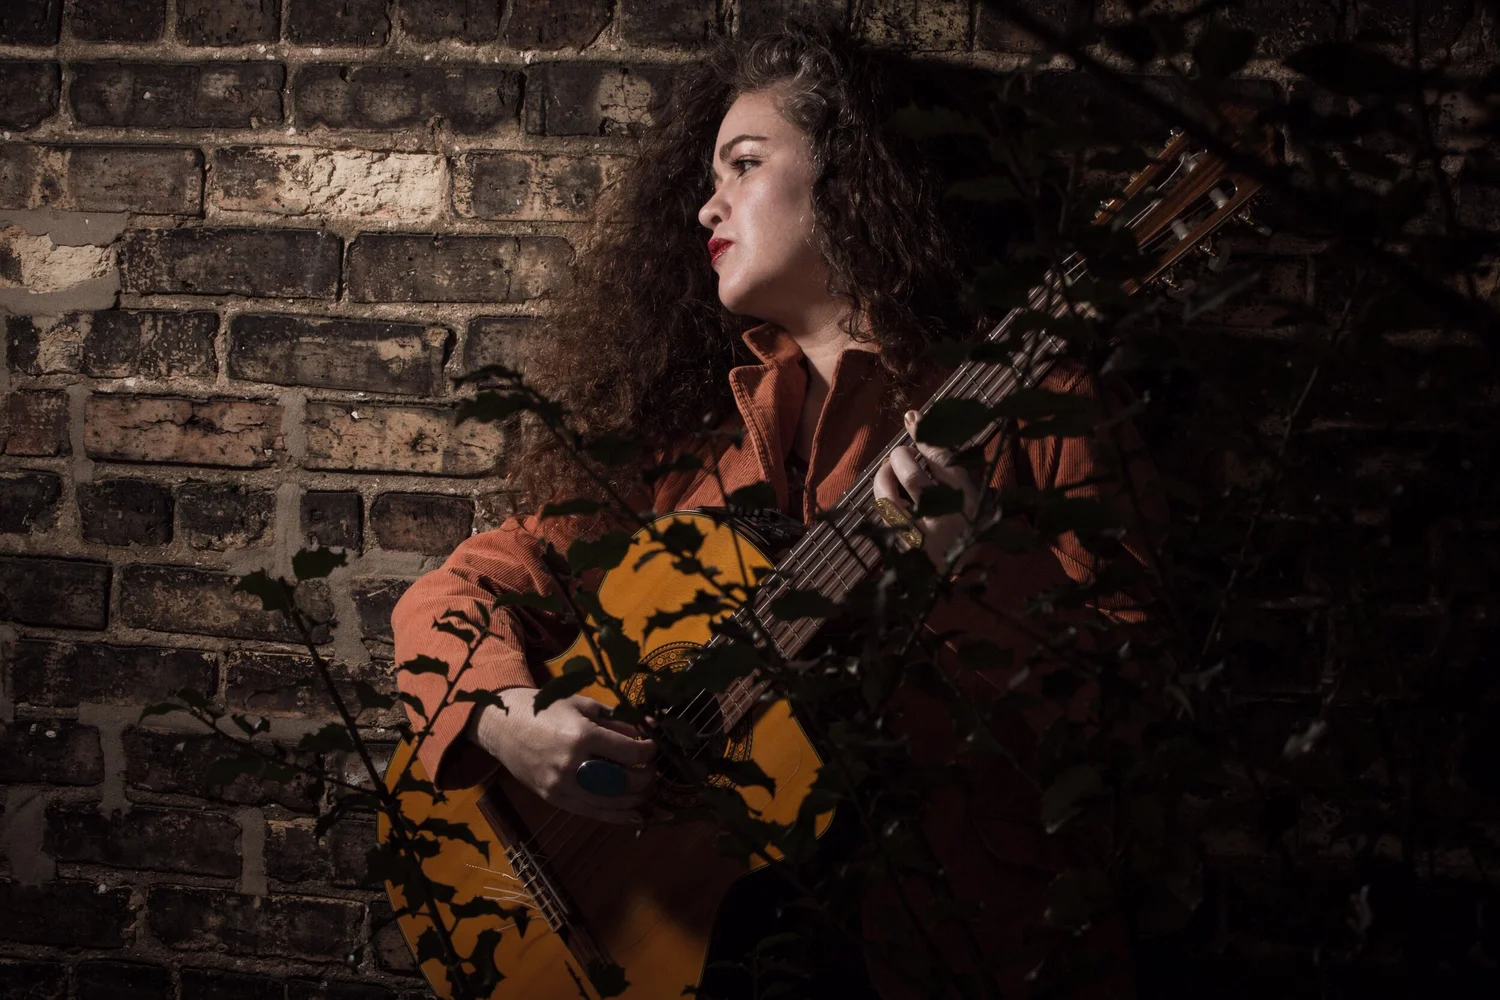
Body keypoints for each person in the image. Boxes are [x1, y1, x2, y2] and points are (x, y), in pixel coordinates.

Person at [391, 16, 1163, 999]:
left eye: (744, 163)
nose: (706, 206)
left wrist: (973, 574)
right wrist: (503, 719)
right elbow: (459, 591)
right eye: (709, 175)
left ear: (852, 177)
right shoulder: (683, 447)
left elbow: (1137, 719)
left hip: (950, 953)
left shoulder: (1036, 406)